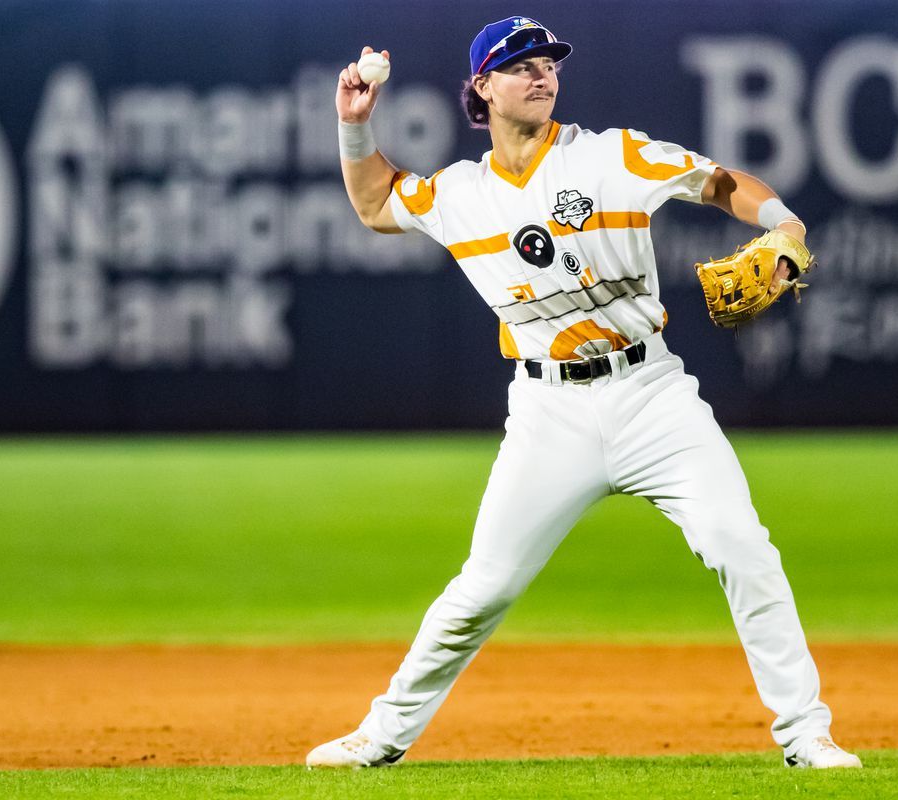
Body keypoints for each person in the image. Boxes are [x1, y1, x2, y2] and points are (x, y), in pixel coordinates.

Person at [306, 16, 861, 770]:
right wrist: (353, 127)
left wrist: (787, 228)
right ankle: (382, 735)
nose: (541, 75)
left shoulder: (612, 156)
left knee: (741, 545)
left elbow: (723, 183)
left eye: (548, 63)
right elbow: (376, 206)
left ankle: (807, 735)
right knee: (485, 587)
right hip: (548, 413)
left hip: (651, 394)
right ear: (482, 88)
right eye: (519, 65)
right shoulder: (461, 193)